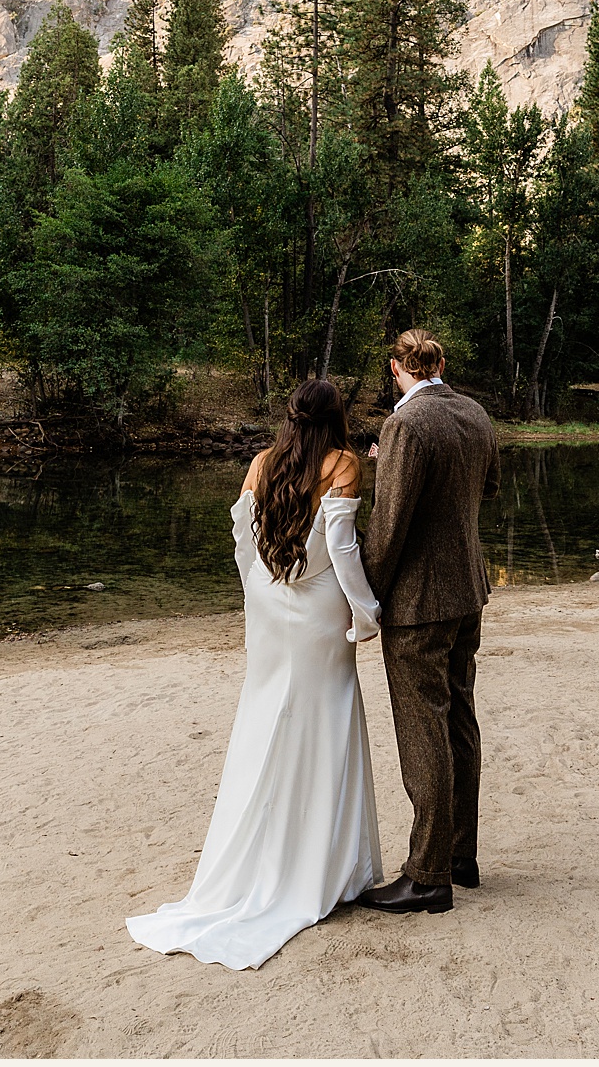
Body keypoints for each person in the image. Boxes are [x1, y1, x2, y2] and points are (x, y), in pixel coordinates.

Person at [125, 377, 385, 970]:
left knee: (267, 717)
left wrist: (264, 588)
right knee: (326, 720)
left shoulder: (263, 462)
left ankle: (265, 861)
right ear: (335, 416)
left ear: (291, 416)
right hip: (322, 608)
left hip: (270, 603)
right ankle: (327, 867)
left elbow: (244, 537)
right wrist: (367, 612)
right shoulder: (343, 463)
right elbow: (341, 548)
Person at [354, 328, 500, 915]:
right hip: (468, 588)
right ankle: (460, 855)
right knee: (459, 716)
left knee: (423, 730)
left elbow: (388, 527)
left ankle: (427, 875)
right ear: (440, 363)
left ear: (397, 368)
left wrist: (364, 594)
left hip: (420, 603)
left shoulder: (405, 425)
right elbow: (486, 486)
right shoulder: (475, 413)